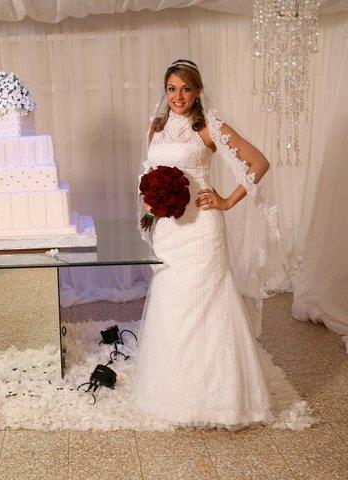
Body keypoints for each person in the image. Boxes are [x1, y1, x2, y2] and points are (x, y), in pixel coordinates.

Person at [131, 59, 275, 428]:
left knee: (208, 304)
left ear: (198, 92)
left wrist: (226, 201)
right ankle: (171, 392)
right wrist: (151, 209)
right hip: (169, 230)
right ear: (165, 91)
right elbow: (149, 174)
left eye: (186, 89)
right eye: (171, 89)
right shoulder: (155, 127)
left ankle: (219, 400)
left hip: (201, 229)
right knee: (171, 301)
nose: (178, 96)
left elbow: (259, 163)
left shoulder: (210, 127)